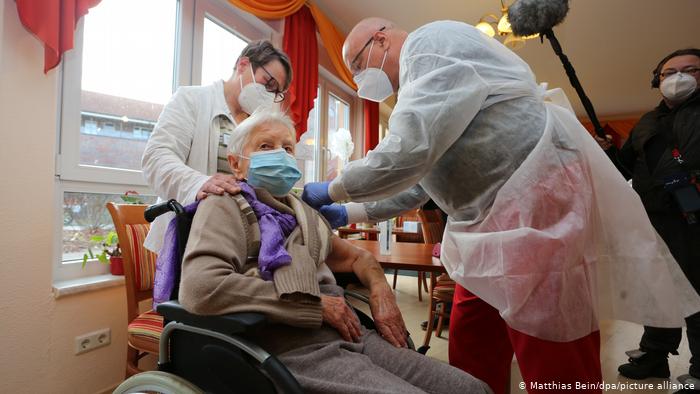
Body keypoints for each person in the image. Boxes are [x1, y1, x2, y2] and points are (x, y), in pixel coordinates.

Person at [301, 18, 700, 394]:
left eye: (357, 65)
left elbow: (408, 152)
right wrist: (350, 212)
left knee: (552, 348)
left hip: (533, 212)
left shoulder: (430, 43)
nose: (359, 80)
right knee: (472, 345)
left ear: (382, 39)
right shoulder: (421, 93)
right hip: (488, 233)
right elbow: (419, 183)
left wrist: (334, 189)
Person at [177, 109, 491, 394]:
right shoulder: (225, 205)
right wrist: (316, 305)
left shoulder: (301, 212)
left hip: (350, 334)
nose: (281, 155)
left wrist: (382, 293)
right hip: (292, 345)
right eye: (265, 147)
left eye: (287, 148)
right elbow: (200, 287)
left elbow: (359, 258)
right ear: (235, 163)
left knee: (471, 388)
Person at [596, 49, 700, 387]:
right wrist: (609, 150)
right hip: (651, 218)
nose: (678, 78)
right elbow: (625, 167)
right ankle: (655, 355)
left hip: (693, 218)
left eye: (691, 70)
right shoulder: (647, 121)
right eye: (670, 72)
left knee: (696, 291)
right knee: (655, 289)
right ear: (658, 80)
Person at [142, 40, 291, 253]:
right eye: (267, 82)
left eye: (275, 91)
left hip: (240, 238)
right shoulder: (192, 100)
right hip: (192, 237)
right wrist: (199, 183)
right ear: (243, 65)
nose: (268, 94)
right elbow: (156, 158)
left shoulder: (259, 125)